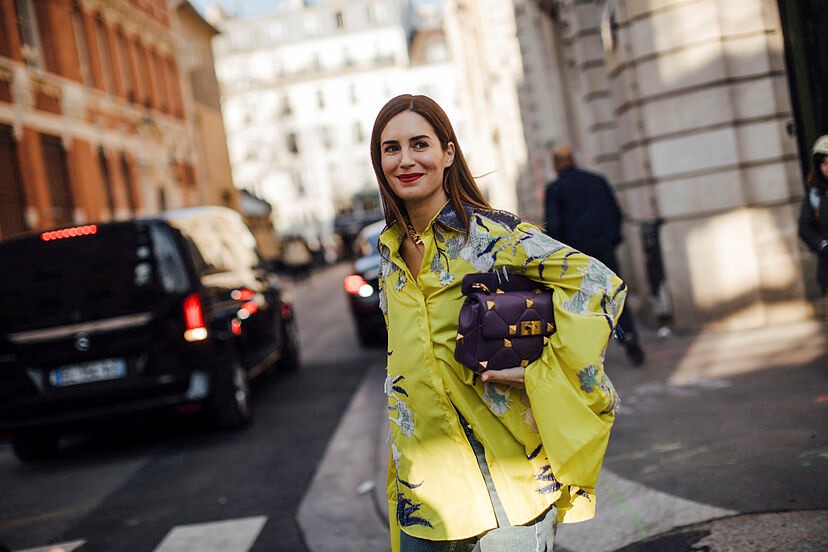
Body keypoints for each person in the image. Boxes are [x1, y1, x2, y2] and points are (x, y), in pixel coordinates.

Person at [371, 94, 626, 552]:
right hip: (425, 481)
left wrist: (545, 370)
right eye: (392, 148)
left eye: (419, 144)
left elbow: (597, 283)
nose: (405, 160)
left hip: (506, 474)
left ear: (448, 154)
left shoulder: (492, 236)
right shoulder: (388, 254)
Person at [544, 147, 645, 366]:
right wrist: (610, 241)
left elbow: (553, 226)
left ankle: (591, 353)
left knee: (582, 304)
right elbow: (615, 213)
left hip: (577, 257)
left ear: (556, 165)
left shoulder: (555, 189)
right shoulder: (597, 181)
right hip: (604, 249)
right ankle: (629, 336)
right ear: (574, 161)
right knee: (614, 294)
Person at [798, 134, 828, 334]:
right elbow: (804, 227)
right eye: (824, 163)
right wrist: (823, 245)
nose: (827, 168)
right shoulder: (815, 194)